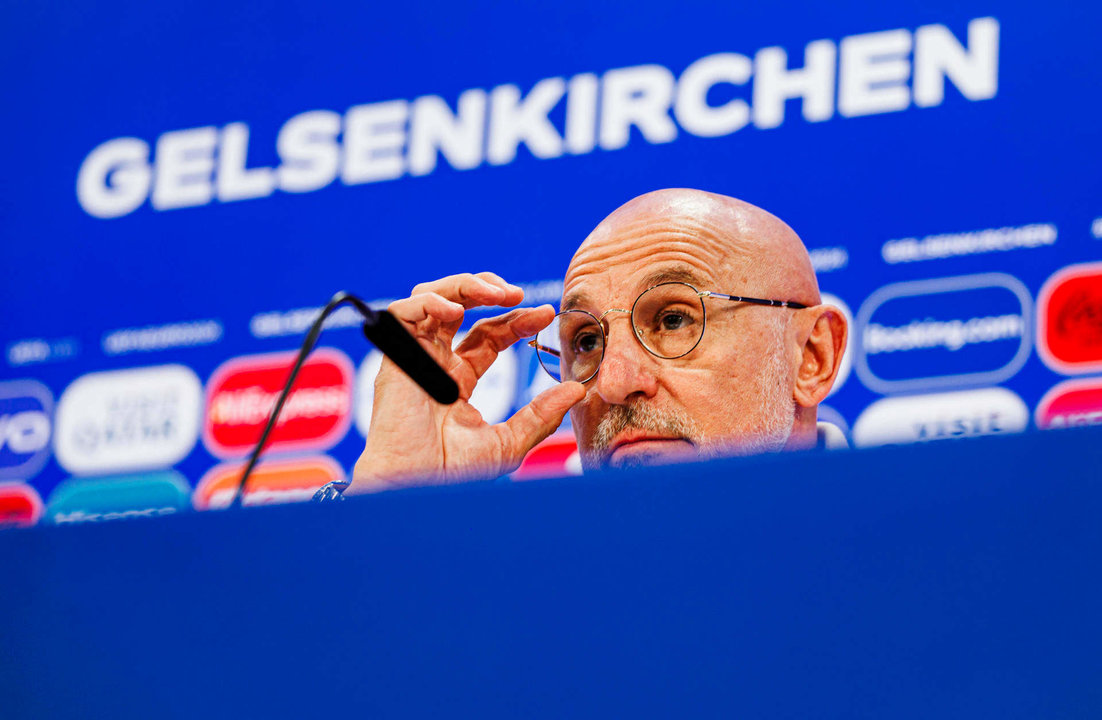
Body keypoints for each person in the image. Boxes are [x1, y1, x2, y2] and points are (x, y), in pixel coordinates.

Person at [344, 188, 848, 495]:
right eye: (585, 341)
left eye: (674, 320)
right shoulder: (528, 590)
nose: (611, 384)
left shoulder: (917, 558)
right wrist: (390, 499)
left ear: (811, 358)